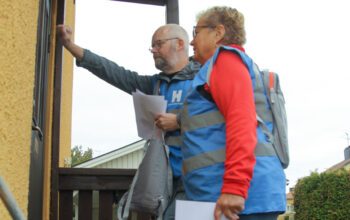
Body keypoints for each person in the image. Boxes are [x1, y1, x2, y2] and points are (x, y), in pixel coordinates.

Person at [56, 23, 200, 219]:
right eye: (152, 46)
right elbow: (114, 73)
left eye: (158, 44)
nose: (153, 51)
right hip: (164, 184)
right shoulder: (155, 84)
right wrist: (70, 46)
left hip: (197, 181)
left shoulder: (205, 78)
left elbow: (227, 117)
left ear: (181, 43)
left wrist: (179, 121)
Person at [179, 6, 286, 220]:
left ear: (218, 33)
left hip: (237, 202)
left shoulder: (225, 61)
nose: (192, 42)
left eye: (196, 32)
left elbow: (241, 120)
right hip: (228, 199)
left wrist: (234, 187)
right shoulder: (218, 68)